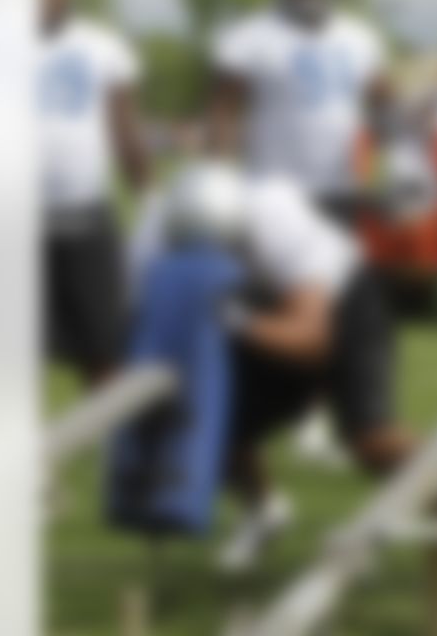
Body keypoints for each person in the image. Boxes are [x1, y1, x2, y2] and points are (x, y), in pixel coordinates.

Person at [130, 163, 413, 573]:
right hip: (256, 309)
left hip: (340, 304)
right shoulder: (151, 241)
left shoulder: (276, 218)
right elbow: (138, 334)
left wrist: (237, 323)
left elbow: (314, 343)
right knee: (211, 418)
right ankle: (263, 511)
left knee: (368, 436)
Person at [205, 0, 393, 226]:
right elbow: (221, 115)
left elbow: (384, 103)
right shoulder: (246, 38)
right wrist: (219, 182)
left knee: (345, 271)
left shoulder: (359, 38)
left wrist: (385, 159)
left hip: (345, 190)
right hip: (273, 195)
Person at [39, 0, 150, 387]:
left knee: (104, 350)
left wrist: (152, 202)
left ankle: (122, 453)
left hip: (85, 216)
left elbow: (126, 134)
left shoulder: (104, 47)